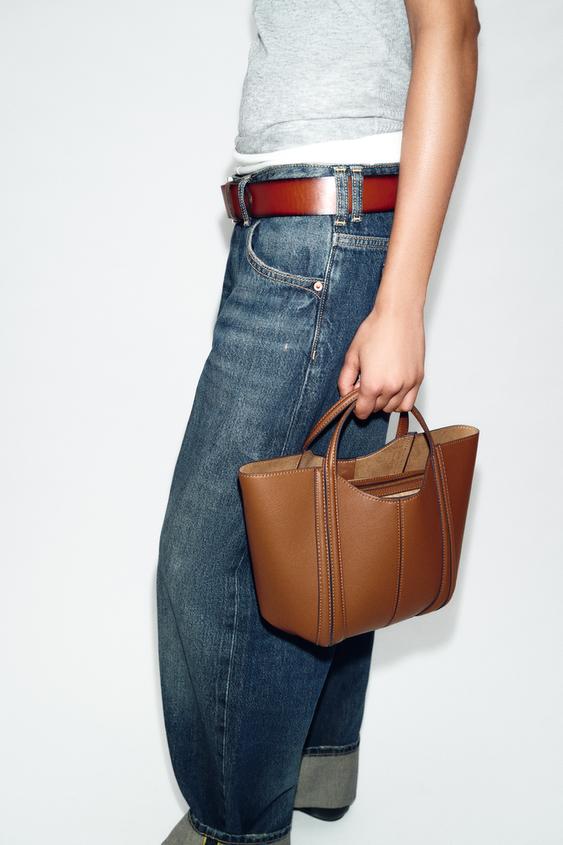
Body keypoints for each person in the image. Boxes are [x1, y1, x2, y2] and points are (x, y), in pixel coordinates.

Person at [157, 1, 480, 843]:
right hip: (308, 235)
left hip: (322, 234)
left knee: (212, 559)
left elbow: (450, 26)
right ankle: (317, 761)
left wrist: (401, 302)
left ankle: (236, 829)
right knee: (326, 530)